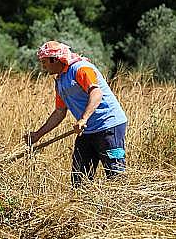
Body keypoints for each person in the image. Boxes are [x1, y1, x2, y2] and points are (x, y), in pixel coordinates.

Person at [26, 41, 128, 187]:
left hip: (108, 126)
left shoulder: (81, 69)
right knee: (79, 178)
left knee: (115, 174)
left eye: (44, 62)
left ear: (55, 59)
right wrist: (38, 135)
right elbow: (60, 112)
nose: (43, 66)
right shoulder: (60, 81)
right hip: (87, 130)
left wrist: (83, 118)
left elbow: (96, 93)